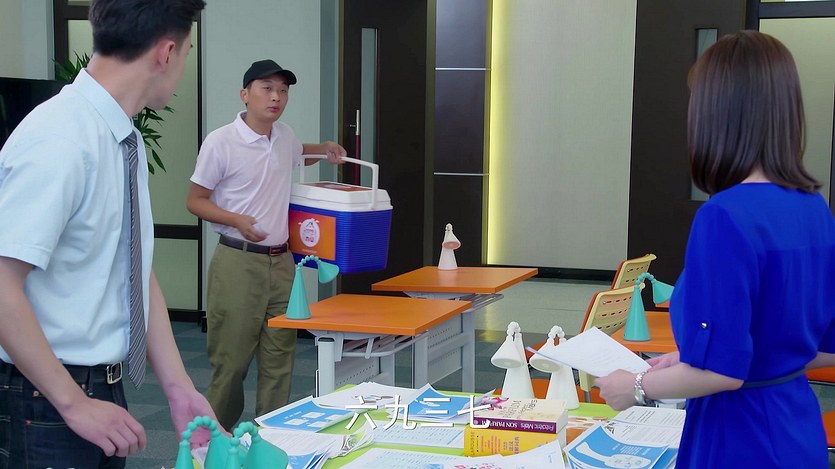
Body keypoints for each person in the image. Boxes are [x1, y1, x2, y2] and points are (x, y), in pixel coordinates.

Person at [596, 30, 835, 467]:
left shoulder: (725, 215)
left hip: (739, 437)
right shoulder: (814, 208)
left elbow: (722, 374)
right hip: (797, 429)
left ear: (717, 114)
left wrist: (635, 387)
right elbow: (817, 347)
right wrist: (692, 357)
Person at [0, 0, 218, 468]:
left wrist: (179, 387)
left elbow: (133, 268)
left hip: (98, 387)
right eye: (187, 53)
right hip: (46, 394)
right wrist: (72, 402)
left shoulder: (122, 137)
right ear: (166, 53)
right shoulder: (61, 139)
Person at [186, 59, 346, 430]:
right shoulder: (221, 142)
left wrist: (324, 148)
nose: (276, 97)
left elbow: (298, 152)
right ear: (245, 95)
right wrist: (237, 220)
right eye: (267, 89)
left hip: (283, 264)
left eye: (283, 91)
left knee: (280, 359)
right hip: (238, 262)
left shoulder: (284, 136)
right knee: (231, 362)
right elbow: (195, 201)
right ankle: (216, 441)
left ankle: (270, 440)